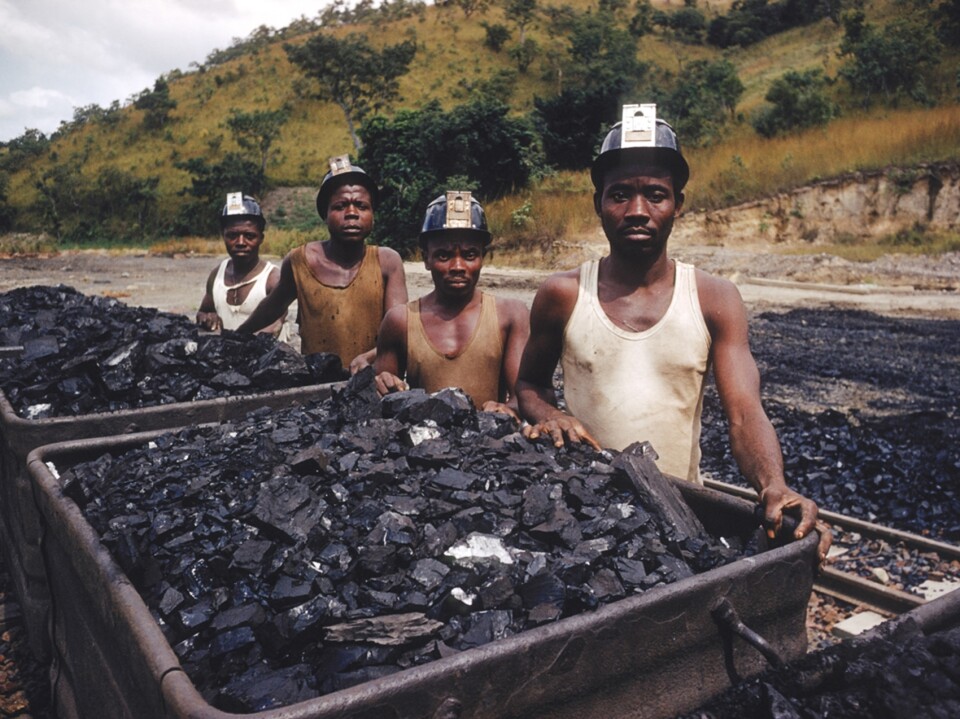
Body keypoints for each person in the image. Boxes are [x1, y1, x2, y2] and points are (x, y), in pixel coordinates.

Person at [516, 104, 831, 559]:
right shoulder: (563, 294)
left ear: (678, 205)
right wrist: (550, 414)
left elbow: (743, 413)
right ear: (598, 204)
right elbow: (529, 385)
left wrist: (773, 485)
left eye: (656, 195)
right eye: (620, 194)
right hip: (583, 512)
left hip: (679, 512)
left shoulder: (713, 299)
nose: (637, 210)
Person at [237, 156, 407, 372]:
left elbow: (399, 329)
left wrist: (369, 357)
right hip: (317, 386)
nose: (352, 213)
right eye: (340, 206)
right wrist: (238, 336)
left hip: (373, 381)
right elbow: (274, 305)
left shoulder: (387, 261)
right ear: (325, 214)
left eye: (362, 206)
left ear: (372, 214)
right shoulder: (300, 261)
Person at [374, 192, 530, 418]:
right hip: (425, 445)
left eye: (469, 255)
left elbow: (524, 395)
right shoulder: (400, 320)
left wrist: (506, 409)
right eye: (444, 255)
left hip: (490, 444)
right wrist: (382, 383)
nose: (458, 266)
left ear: (482, 258)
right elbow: (384, 399)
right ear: (426, 259)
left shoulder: (510, 315)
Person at [196, 192, 290, 341]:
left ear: (261, 238)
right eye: (232, 236)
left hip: (266, 361)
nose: (240, 242)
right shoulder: (217, 275)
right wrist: (208, 317)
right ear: (223, 236)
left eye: (249, 236)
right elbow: (202, 312)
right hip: (227, 358)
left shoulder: (272, 279)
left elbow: (275, 324)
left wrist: (239, 347)